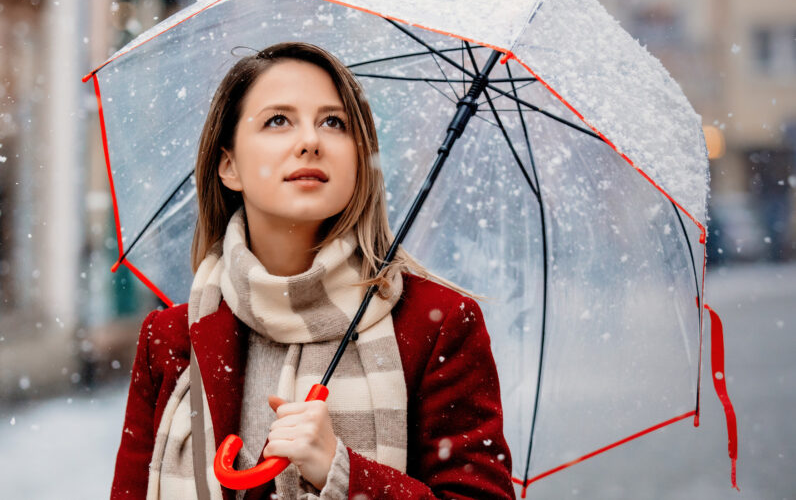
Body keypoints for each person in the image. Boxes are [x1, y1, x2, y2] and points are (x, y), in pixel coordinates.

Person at [110, 42, 514, 499]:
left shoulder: (435, 325)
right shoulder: (170, 340)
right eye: (277, 120)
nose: (310, 141)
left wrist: (340, 470)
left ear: (359, 161)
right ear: (229, 165)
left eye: (333, 123)